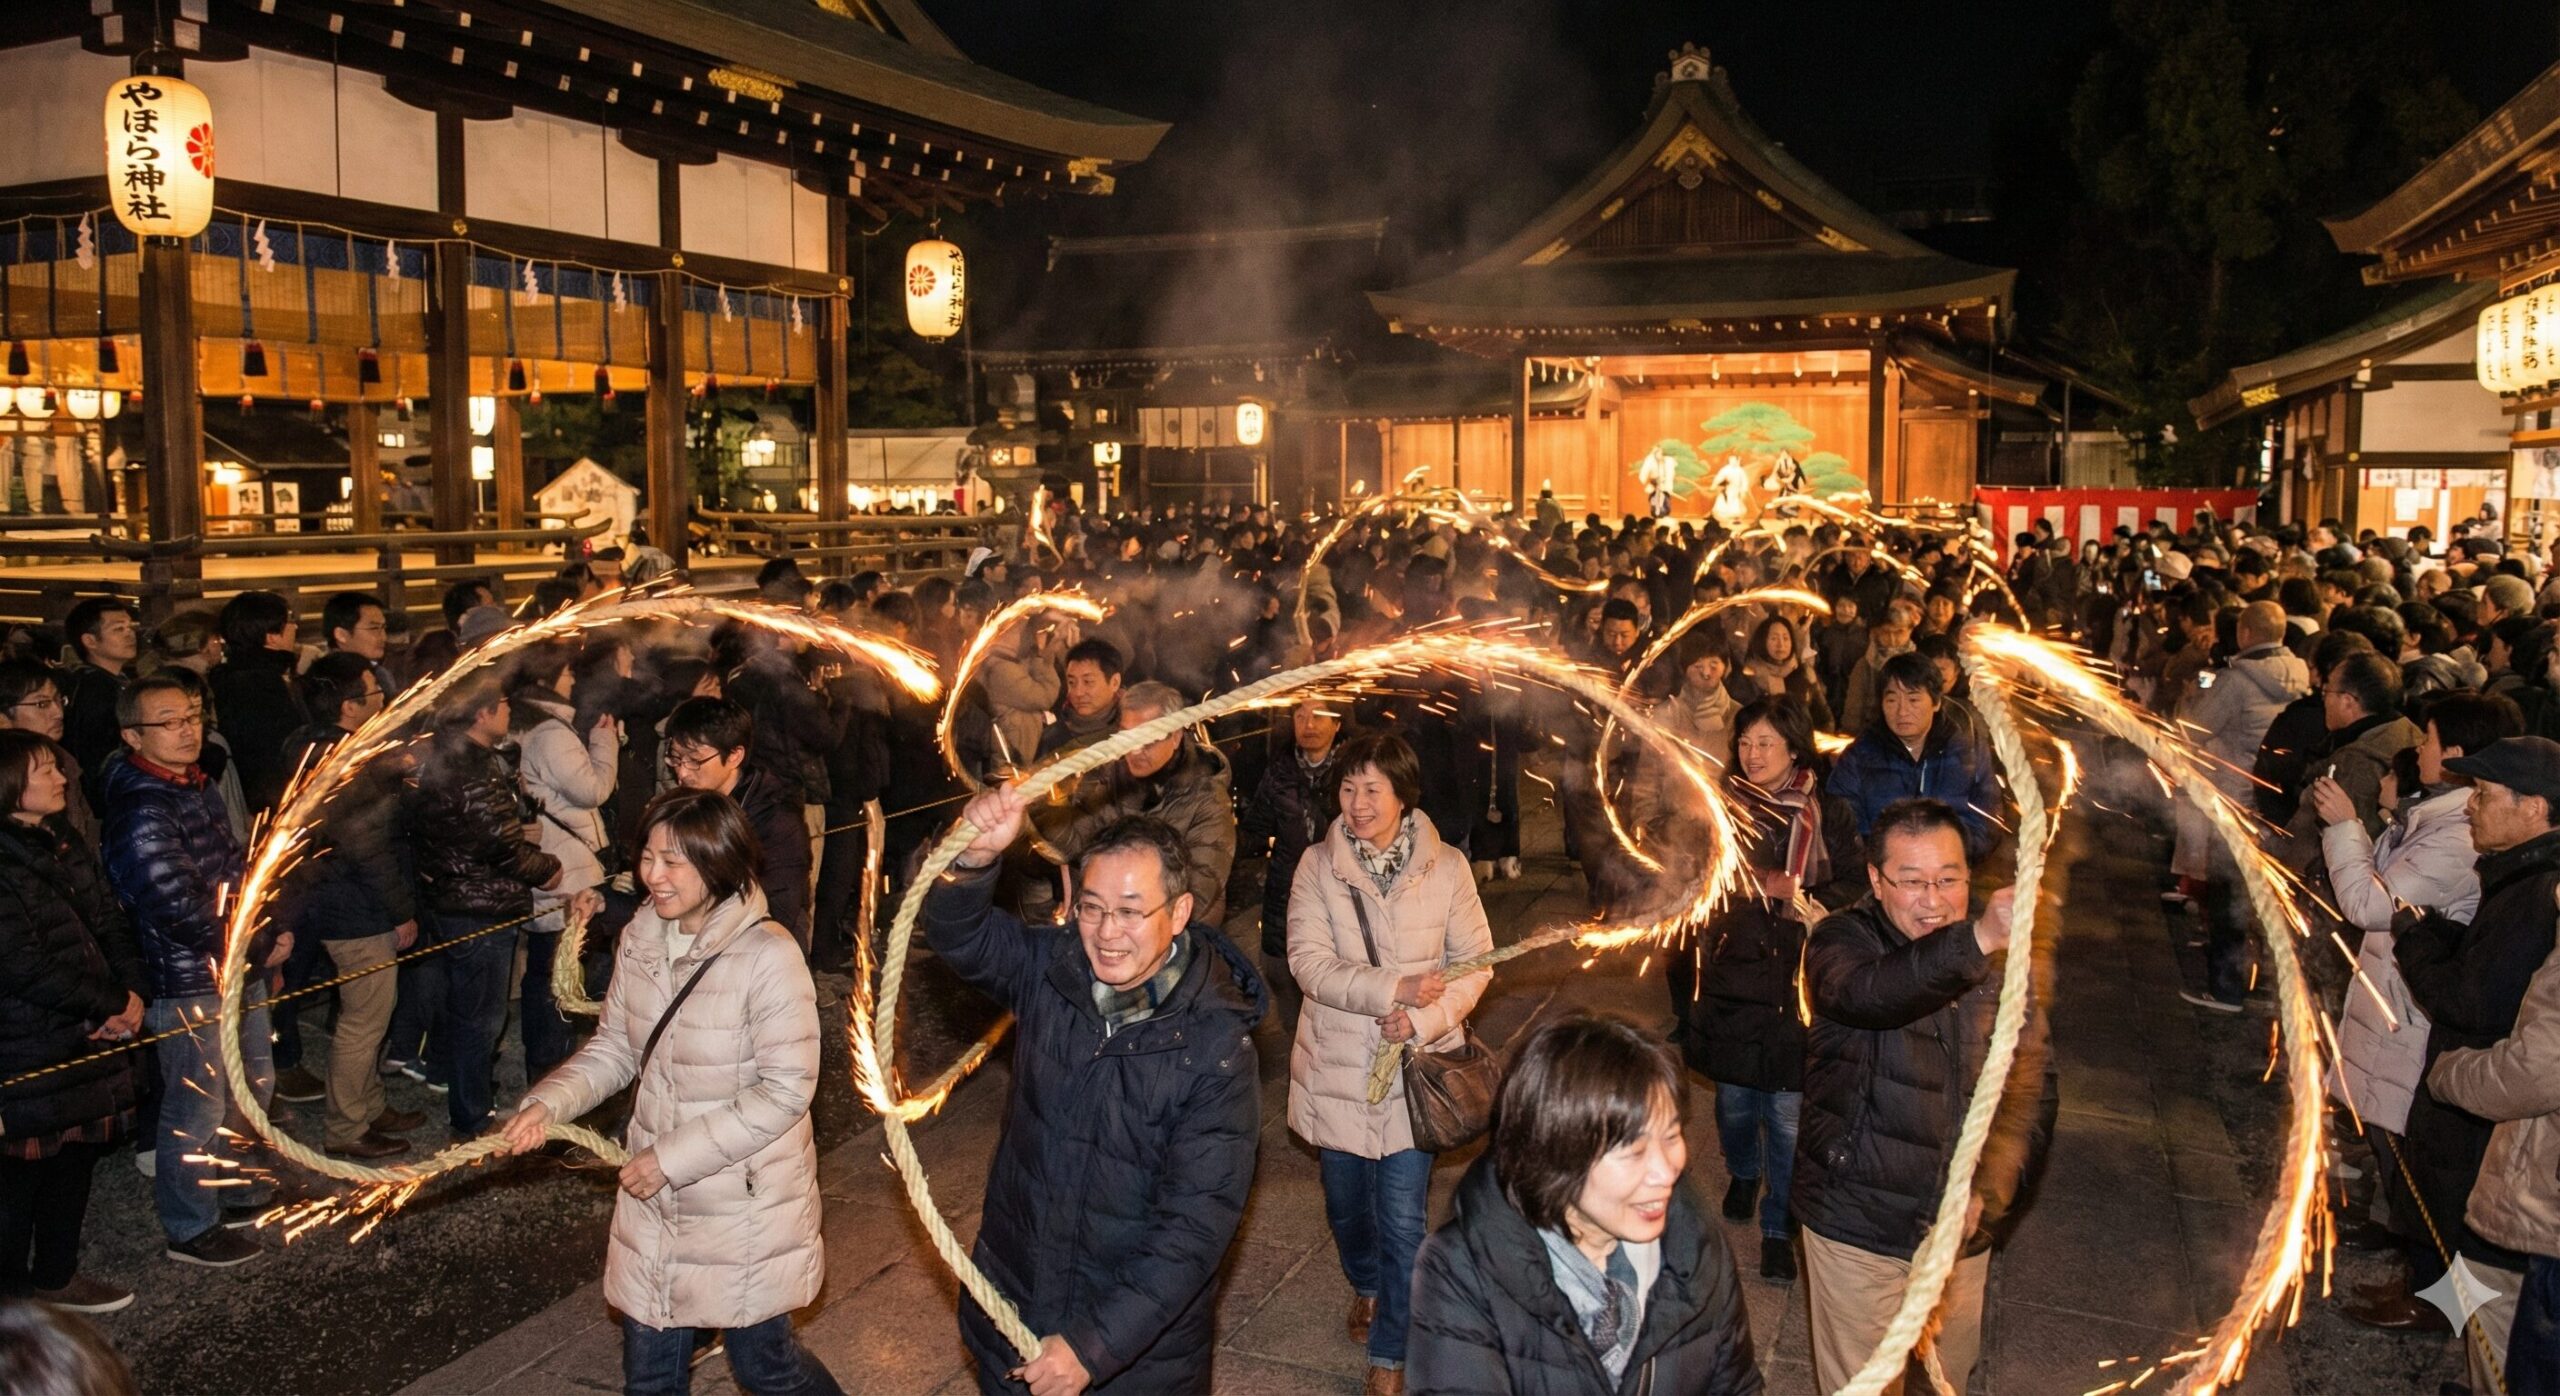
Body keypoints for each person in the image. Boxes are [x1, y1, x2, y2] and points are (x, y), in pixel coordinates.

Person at [497, 788, 837, 1396]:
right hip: (655, 1202)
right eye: (647, 857)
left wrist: (671, 1160)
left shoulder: (769, 955)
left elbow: (786, 1092)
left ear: (718, 862)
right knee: (649, 1376)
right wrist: (548, 1103)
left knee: (767, 1367)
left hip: (742, 1206)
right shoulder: (643, 934)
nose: (652, 875)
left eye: (672, 861)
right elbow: (618, 1048)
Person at [927, 789, 1264, 1394]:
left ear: (1180, 912)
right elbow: (962, 938)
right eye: (1091, 907)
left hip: (1132, 1358)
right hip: (1015, 1305)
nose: (1108, 933)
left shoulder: (1214, 1046)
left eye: (1132, 911)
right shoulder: (1053, 970)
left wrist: (1092, 1346)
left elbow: (1192, 1229)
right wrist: (973, 861)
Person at [1797, 798, 2056, 1395]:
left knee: (1948, 1380)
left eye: (1948, 879)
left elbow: (2030, 1091)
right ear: (1875, 880)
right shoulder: (1842, 941)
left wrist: (1986, 1196)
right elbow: (1866, 994)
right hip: (1858, 1223)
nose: (1933, 900)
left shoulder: (2004, 961)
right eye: (1911, 882)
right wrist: (1977, 938)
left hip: (1958, 1232)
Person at [1287, 732, 1495, 1394]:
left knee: (1403, 1218)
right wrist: (1393, 989)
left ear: (1405, 796)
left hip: (1414, 1074)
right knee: (1347, 1205)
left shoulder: (1450, 868)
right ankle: (1367, 1283)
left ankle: (1390, 1355)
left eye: (1373, 788)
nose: (1358, 803)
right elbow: (1308, 962)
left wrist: (1428, 1017)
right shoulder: (1317, 866)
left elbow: (1475, 962)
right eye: (1348, 788)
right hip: (1339, 1067)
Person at [1406, 1013, 1763, 1396]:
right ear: (1553, 1155)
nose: (1666, 1170)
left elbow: (1737, 1385)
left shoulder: (1696, 1242)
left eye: (1672, 1134)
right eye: (1632, 1150)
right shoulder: (1461, 1272)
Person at [2370, 736, 2560, 1352]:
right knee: (2448, 1199)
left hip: (2488, 1087)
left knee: (2473, 1225)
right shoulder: (2517, 874)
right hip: (2473, 1079)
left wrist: (2417, 944)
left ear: (2534, 809)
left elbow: (2477, 1002)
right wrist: (2445, 935)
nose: (2470, 806)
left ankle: (2448, 1322)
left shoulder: (2538, 890)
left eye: (2483, 795)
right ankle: (2438, 1306)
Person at [1668, 697, 1864, 1283]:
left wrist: (1815, 905)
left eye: (1766, 743)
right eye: (1746, 742)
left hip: (1800, 983)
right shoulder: (1720, 806)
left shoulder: (1829, 812)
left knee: (1785, 1112)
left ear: (1795, 748)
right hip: (1734, 976)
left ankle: (1779, 1226)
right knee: (1733, 1103)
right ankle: (1744, 1169)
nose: (1752, 755)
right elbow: (1692, 874)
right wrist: (1755, 886)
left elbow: (1856, 879)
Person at [100, 673, 285, 1268]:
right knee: (196, 1106)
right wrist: (255, 948)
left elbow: (236, 867)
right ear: (133, 735)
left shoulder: (193, 788)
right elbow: (177, 906)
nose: (188, 730)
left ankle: (237, 1188)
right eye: (169, 722)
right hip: (188, 979)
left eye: (193, 716)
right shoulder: (140, 812)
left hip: (234, 965)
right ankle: (190, 1225)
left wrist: (268, 922)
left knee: (253, 1084)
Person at [0, 731, 144, 1312]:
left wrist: (130, 993)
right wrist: (104, 1003)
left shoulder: (59, 839)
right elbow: (19, 963)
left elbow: (109, 919)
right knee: (18, 1180)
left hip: (86, 1031)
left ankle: (57, 1276)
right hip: (25, 1041)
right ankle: (13, 1309)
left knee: (74, 1160)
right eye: (45, 770)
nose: (62, 779)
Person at [276, 655, 424, 1161]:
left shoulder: (306, 743)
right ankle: (346, 1128)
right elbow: (367, 845)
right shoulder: (348, 762)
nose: (383, 700)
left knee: (371, 1015)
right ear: (348, 706)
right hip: (356, 906)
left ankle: (370, 1105)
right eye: (373, 693)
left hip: (330, 896)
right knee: (364, 1020)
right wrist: (400, 909)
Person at [406, 680, 570, 1139]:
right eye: (501, 704)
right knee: (480, 1018)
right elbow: (496, 842)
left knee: (465, 1008)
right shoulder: (471, 766)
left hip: (456, 896)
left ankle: (462, 1090)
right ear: (480, 713)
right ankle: (472, 1116)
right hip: (478, 905)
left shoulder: (447, 755)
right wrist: (545, 867)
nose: (507, 712)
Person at [509, 642, 621, 1084]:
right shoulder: (551, 732)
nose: (572, 680)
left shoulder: (523, 723)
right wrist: (605, 742)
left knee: (547, 968)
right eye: (567, 674)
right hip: (567, 866)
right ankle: (553, 1063)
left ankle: (547, 1058)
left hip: (548, 859)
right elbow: (591, 790)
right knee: (560, 972)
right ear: (548, 677)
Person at [1037, 680, 1237, 928]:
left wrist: (1127, 917)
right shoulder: (1108, 778)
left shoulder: (1207, 801)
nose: (1135, 750)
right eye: (1127, 737)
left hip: (1177, 940)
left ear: (1174, 737)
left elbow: (1199, 894)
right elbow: (1075, 843)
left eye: (1148, 739)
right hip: (1109, 925)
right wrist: (1041, 805)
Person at [1232, 698, 1348, 1029]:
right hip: (1287, 891)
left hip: (1340, 892)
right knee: (1284, 976)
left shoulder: (1352, 769)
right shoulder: (1279, 772)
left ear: (1337, 724)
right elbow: (1256, 830)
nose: (1309, 724)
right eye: (1300, 716)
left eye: (1318, 716)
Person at [662, 697, 812, 950]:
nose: (682, 772)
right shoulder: (686, 804)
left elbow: (779, 908)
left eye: (695, 760)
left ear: (734, 756)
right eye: (675, 758)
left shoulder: (775, 818)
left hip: (760, 955)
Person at [1827, 652, 2002, 858]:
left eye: (1913, 699)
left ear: (1936, 702)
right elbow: (1842, 824)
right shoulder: (1860, 756)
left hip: (1949, 870)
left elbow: (1987, 815)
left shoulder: (1965, 749)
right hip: (1884, 877)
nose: (1902, 711)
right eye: (1892, 700)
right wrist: (1885, 863)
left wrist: (1950, 855)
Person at [205, 589, 308, 817]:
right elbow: (271, 753)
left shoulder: (227, 675)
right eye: (289, 621)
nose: (295, 627)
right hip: (268, 805)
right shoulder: (261, 685)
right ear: (272, 636)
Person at [0, 660, 95, 843]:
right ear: (3, 718)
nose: (58, 713)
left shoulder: (65, 761)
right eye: (42, 704)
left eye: (60, 700)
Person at [59, 598, 138, 810]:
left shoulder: (113, 681)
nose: (130, 634)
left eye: (130, 627)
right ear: (90, 641)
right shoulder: (95, 690)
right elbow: (99, 756)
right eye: (118, 629)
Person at [1035, 638, 1125, 760]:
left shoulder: (1134, 732)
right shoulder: (1053, 739)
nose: (1078, 692)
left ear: (1115, 682)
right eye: (1071, 683)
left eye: (1088, 682)